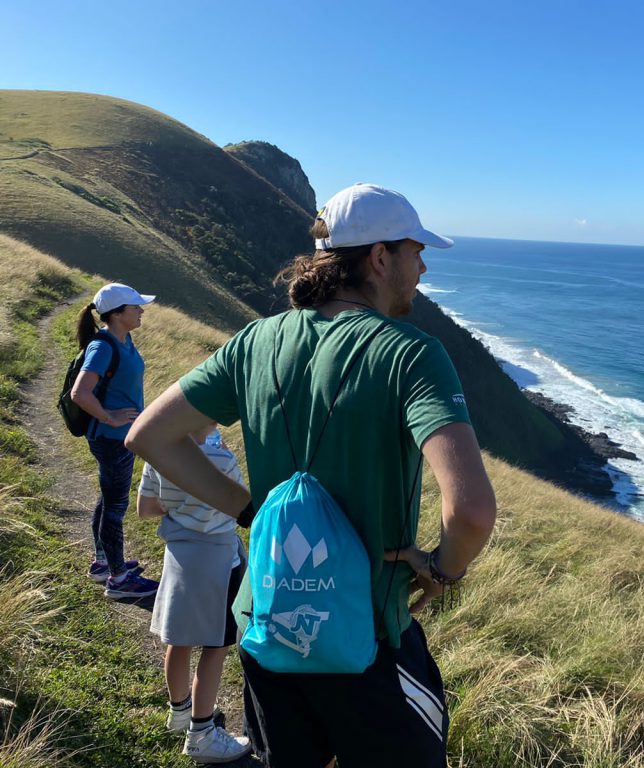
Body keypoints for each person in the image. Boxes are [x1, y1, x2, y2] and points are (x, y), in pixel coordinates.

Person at [126, 183, 497, 768]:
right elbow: (472, 511)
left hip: (271, 625)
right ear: (379, 258)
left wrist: (249, 510)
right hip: (369, 639)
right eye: (416, 250)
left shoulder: (255, 341)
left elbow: (149, 436)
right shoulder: (410, 353)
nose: (423, 266)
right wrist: (443, 570)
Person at [138, 423, 250, 764]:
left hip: (179, 555)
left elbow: (147, 508)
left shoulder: (158, 451)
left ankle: (180, 712)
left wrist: (180, 506)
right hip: (218, 559)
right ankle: (202, 734)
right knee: (216, 648)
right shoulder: (222, 457)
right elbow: (241, 507)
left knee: (179, 639)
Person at [70, 283, 160, 599]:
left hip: (118, 437)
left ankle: (102, 563)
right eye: (135, 307)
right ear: (118, 314)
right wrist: (111, 418)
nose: (141, 311)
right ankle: (119, 579)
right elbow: (79, 393)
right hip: (111, 438)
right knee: (115, 507)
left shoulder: (124, 338)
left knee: (109, 500)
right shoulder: (103, 347)